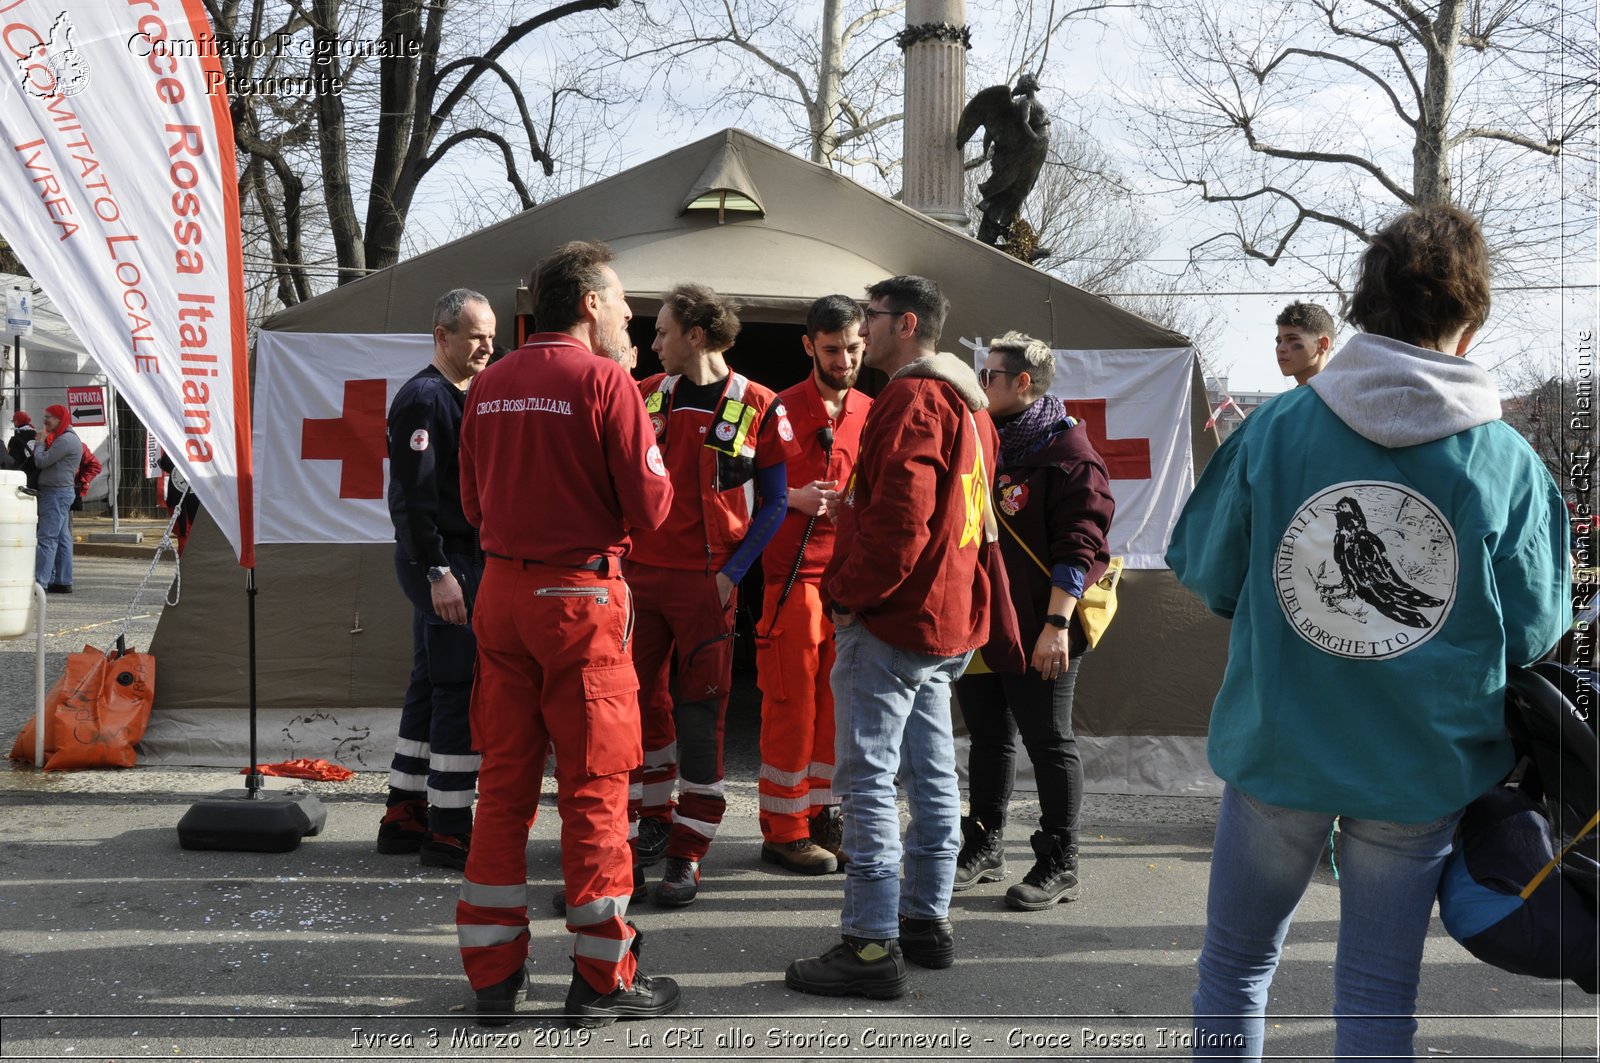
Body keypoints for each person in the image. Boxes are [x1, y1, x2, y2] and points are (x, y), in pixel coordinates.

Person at [1167, 205, 1570, 1060]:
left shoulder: (1276, 428)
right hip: (1420, 766)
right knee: (1379, 997)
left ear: (1363, 310)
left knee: (1236, 964)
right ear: (1469, 322)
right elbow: (1534, 628)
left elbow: (1208, 570)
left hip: (1282, 744)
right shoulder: (1507, 462)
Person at [455, 240, 679, 1028]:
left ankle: (492, 976)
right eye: (621, 301)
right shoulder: (607, 381)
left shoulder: (491, 383)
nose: (629, 316)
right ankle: (603, 977)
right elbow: (653, 510)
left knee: (503, 788)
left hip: (502, 593)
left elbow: (473, 503)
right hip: (577, 601)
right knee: (595, 792)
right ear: (588, 303)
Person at [785, 275, 1000, 999]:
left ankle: (871, 945)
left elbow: (901, 522)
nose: (861, 329)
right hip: (943, 623)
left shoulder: (913, 398)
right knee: (932, 774)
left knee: (868, 781)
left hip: (895, 621)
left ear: (904, 323)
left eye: (871, 317)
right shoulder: (974, 406)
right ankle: (924, 921)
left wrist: (846, 594)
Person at [628, 283, 796, 906]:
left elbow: (776, 502)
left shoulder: (758, 404)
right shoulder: (645, 396)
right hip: (641, 578)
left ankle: (688, 851)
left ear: (696, 336)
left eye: (664, 331)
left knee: (702, 713)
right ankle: (646, 824)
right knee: (631, 706)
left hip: (708, 584)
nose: (653, 342)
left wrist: (732, 575)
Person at [953, 331, 1114, 909]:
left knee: (1048, 742)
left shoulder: (1070, 457)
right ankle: (985, 846)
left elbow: (1081, 549)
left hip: (1043, 625)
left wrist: (1055, 627)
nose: (981, 384)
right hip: (984, 624)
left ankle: (1059, 862)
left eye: (990, 376)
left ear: (1022, 383)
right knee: (989, 739)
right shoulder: (986, 442)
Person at [375, 289, 495, 871]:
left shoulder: (463, 393)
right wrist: (440, 573)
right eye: (475, 335)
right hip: (444, 560)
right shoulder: (426, 398)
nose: (487, 346)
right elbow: (414, 501)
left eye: (491, 335)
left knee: (428, 681)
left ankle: (404, 812)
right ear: (442, 335)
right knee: (455, 685)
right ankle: (449, 827)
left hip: (450, 559)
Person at [755, 295, 872, 875]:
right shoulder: (774, 409)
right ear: (808, 346)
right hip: (791, 581)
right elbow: (724, 486)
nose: (844, 358)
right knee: (791, 706)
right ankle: (783, 829)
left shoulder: (874, 412)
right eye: (832, 349)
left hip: (847, 584)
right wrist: (790, 499)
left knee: (838, 709)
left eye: (853, 347)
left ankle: (824, 816)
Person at [32, 404, 80, 594]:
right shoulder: (65, 438)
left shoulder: (65, 440)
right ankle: (61, 580)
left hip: (55, 494)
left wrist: (40, 443)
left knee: (47, 538)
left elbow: (41, 461)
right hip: (58, 493)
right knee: (61, 538)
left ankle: (40, 583)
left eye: (49, 417)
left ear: (60, 419)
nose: (45, 421)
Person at [1274, 301, 1336, 386]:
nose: (1280, 349)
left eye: (1292, 339)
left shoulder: (1347, 396)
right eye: (1279, 341)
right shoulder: (1287, 399)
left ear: (1322, 345)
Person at [69, 440, 101, 512]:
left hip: (69, 488)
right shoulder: (78, 444)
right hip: (70, 488)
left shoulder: (79, 446)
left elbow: (95, 466)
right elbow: (95, 466)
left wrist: (82, 481)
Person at [7, 411, 36, 475]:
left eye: (14, 421)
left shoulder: (15, 440)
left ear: (17, 422)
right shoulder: (37, 435)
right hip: (35, 472)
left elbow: (12, 460)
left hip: (21, 473)